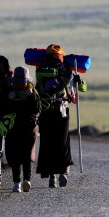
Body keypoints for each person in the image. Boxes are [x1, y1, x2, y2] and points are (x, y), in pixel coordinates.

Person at [35, 44, 74, 188]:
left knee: (48, 142)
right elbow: (68, 86)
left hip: (45, 109)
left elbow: (39, 87)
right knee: (62, 141)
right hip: (61, 109)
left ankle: (52, 176)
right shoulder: (66, 70)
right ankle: (63, 172)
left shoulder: (40, 68)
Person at [0, 66, 41, 192]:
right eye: (18, 83)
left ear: (27, 82)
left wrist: (31, 97)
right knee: (14, 156)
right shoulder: (8, 91)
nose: (20, 85)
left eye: (22, 83)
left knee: (26, 155)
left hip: (29, 128)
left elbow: (38, 109)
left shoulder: (33, 92)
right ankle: (16, 182)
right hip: (12, 129)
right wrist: (8, 100)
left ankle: (27, 180)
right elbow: (0, 107)